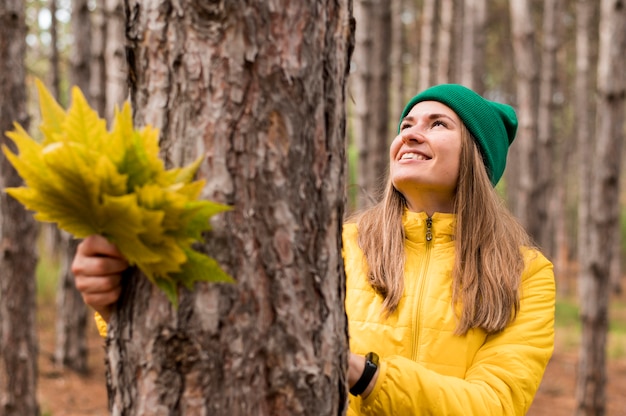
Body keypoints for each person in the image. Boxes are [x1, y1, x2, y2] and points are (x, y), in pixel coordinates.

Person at [72, 84, 555, 415]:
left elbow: (493, 404)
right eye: (406, 123)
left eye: (437, 124)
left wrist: (364, 375)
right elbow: (235, 324)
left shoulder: (526, 274)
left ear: (476, 154)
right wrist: (118, 301)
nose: (410, 132)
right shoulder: (338, 245)